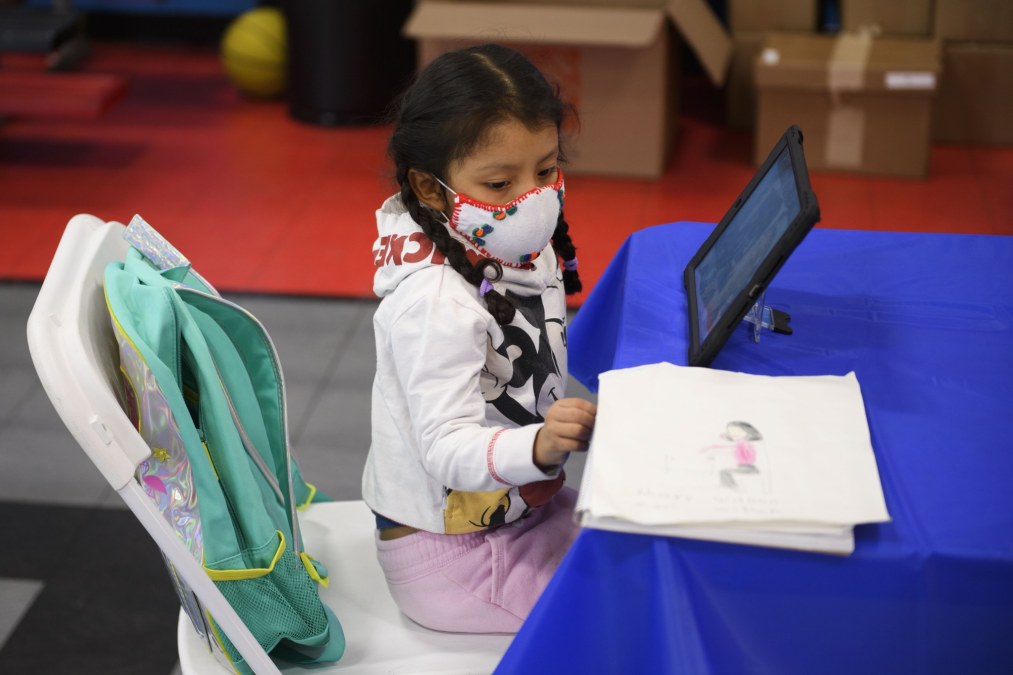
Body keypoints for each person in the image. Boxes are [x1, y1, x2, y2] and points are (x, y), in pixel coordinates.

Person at [361, 43, 597, 634]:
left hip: (514, 511)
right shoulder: (436, 303)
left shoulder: (503, 241)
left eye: (545, 171)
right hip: (450, 558)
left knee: (641, 545)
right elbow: (443, 447)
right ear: (431, 188)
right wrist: (539, 447)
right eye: (499, 183)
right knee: (615, 614)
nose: (533, 201)